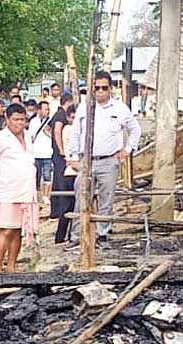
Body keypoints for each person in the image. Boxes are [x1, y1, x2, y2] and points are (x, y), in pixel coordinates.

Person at [66, 71, 142, 250]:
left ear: (110, 89)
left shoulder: (119, 108)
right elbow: (76, 132)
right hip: (86, 160)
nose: (100, 91)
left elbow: (135, 129)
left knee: (106, 198)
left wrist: (127, 150)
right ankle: (77, 235)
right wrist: (73, 157)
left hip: (109, 161)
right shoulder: (84, 107)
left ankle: (102, 235)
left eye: (104, 88)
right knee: (81, 196)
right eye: (96, 88)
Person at [0, 103, 38, 273]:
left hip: (26, 190)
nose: (19, 123)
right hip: (7, 189)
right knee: (6, 229)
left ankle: (12, 266)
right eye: (16, 120)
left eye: (22, 119)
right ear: (7, 119)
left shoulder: (28, 136)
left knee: (18, 230)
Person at [51, 94, 76, 243]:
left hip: (72, 169)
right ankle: (61, 237)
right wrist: (61, 151)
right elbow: (55, 131)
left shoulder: (72, 128)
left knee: (72, 204)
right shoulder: (68, 129)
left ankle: (65, 236)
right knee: (68, 204)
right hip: (70, 170)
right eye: (71, 117)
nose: (72, 120)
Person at [28, 101, 54, 203]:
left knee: (47, 175)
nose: (47, 111)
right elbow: (30, 136)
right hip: (36, 152)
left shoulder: (51, 121)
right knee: (36, 176)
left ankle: (46, 196)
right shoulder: (33, 122)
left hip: (48, 152)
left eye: (48, 109)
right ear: (39, 110)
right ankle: (37, 195)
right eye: (45, 109)